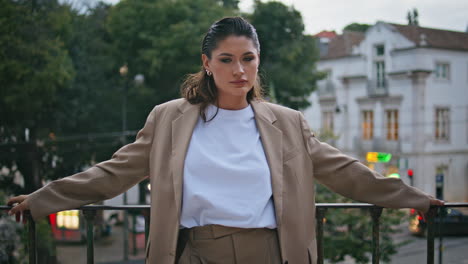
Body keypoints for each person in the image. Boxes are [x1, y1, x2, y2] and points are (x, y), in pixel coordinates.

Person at [7, 17, 443, 264]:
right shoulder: (170, 119)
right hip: (197, 253)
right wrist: (43, 199)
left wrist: (413, 198)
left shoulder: (287, 122)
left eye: (248, 59)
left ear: (258, 61)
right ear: (207, 63)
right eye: (227, 59)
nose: (239, 70)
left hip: (273, 253)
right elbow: (111, 174)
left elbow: (346, 173)